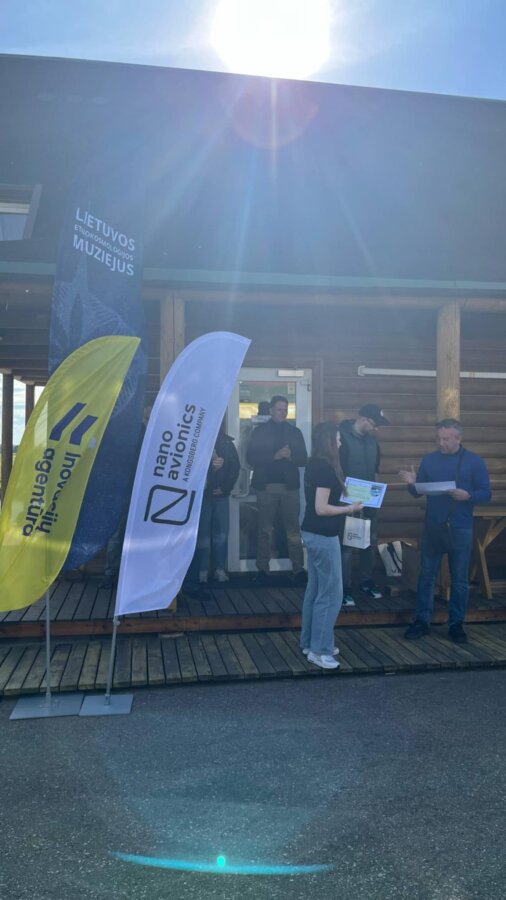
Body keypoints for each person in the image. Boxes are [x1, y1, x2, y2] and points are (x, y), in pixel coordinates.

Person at [400, 418, 491, 644]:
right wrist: (411, 483)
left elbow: (486, 493)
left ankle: (456, 624)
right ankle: (422, 621)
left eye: (446, 439)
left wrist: (468, 496)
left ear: (459, 438)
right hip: (434, 526)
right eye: (439, 438)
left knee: (459, 578)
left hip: (460, 527)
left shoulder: (474, 461)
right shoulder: (430, 460)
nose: (442, 443)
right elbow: (418, 492)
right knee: (426, 576)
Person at [300, 422, 363, 669]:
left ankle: (310, 643)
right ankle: (321, 651)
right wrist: (350, 508)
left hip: (312, 532)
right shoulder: (325, 469)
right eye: (337, 438)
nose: (340, 442)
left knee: (315, 590)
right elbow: (321, 508)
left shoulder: (314, 464)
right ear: (328, 441)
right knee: (331, 595)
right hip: (323, 536)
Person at [246, 395, 308, 584]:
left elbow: (303, 459)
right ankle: (262, 569)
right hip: (266, 486)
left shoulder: (294, 432)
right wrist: (275, 456)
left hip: (290, 487)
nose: (283, 413)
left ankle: (298, 569)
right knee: (265, 529)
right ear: (271, 411)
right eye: (279, 409)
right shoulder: (259, 432)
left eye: (285, 410)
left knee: (293, 530)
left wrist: (290, 456)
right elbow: (251, 458)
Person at [338, 403, 390, 606]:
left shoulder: (373, 441)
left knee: (369, 541)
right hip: (348, 499)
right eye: (375, 425)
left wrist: (377, 495)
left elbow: (376, 470)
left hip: (370, 499)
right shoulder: (342, 437)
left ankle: (366, 582)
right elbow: (337, 471)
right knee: (348, 544)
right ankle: (344, 588)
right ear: (364, 419)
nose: (377, 429)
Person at [184, 422, 240, 599]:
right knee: (202, 535)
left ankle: (219, 569)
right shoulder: (194, 441)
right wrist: (212, 468)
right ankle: (201, 570)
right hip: (202, 496)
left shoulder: (227, 443)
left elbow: (235, 468)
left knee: (221, 534)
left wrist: (225, 488)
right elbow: (189, 468)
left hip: (221, 495)